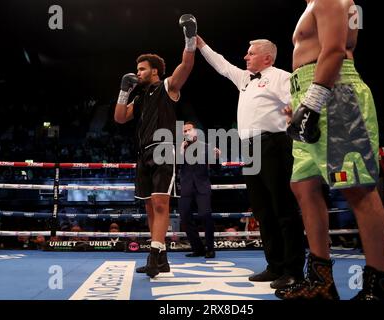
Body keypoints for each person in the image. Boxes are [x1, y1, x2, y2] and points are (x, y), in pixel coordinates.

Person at [280, 0, 384, 300]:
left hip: (334, 94)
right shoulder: (314, 4)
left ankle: (377, 285)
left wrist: (313, 101)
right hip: (311, 89)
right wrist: (301, 98)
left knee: (357, 189)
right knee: (303, 186)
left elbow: (334, 50)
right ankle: (321, 282)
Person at [196, 36, 305, 290]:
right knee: (263, 210)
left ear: (267, 57)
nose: (245, 57)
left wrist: (293, 130)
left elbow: (298, 104)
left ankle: (293, 270)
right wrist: (200, 44)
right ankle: (274, 265)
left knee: (283, 209)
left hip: (275, 144)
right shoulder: (245, 79)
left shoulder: (281, 76)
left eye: (251, 53)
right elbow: (221, 65)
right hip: (250, 149)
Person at [114, 14, 197, 278]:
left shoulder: (168, 87)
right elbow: (119, 117)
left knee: (161, 203)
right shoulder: (138, 99)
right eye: (136, 70)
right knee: (150, 206)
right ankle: (161, 258)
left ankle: (154, 255)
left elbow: (187, 64)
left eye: (141, 69)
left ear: (155, 71)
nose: (137, 73)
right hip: (143, 154)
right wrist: (123, 91)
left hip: (164, 149)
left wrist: (190, 37)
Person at [179, 121, 220, 259]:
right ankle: (198, 248)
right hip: (186, 187)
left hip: (202, 186)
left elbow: (216, 169)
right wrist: (180, 151)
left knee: (205, 215)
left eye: (189, 130)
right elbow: (174, 166)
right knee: (184, 217)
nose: (186, 132)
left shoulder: (207, 147)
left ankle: (210, 248)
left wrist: (217, 158)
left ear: (195, 131)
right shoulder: (180, 147)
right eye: (184, 131)